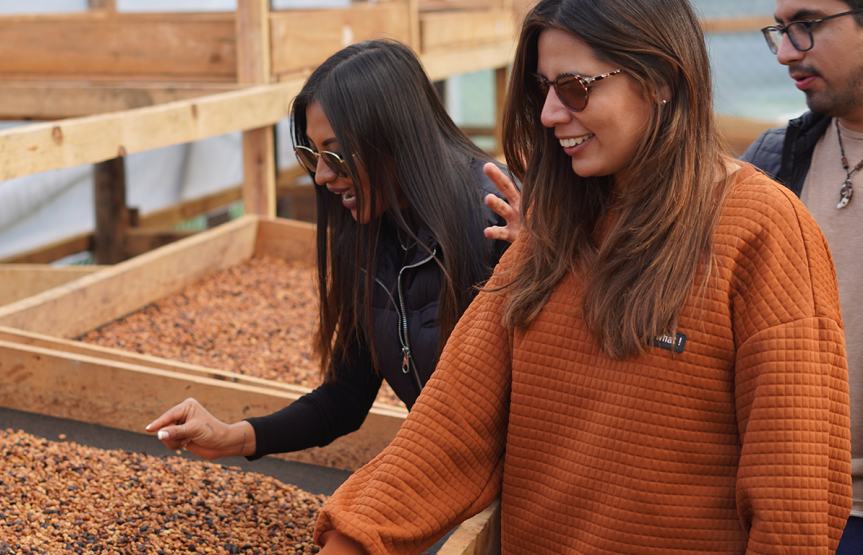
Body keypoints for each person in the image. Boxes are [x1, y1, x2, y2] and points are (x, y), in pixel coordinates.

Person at [310, 0, 853, 553]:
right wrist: (353, 537)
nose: (549, 113)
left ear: (661, 78)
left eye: (575, 87)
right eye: (543, 89)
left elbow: (794, 507)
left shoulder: (763, 231)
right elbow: (448, 429)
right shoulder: (549, 236)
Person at [145, 39, 521, 462]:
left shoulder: (501, 219)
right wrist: (234, 436)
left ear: (393, 138)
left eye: (337, 156)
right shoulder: (364, 232)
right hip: (452, 464)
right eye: (311, 154)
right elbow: (346, 395)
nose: (322, 176)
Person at [740, 2, 863, 550]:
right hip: (800, 515)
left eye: (807, 26)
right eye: (781, 30)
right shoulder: (773, 160)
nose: (787, 52)